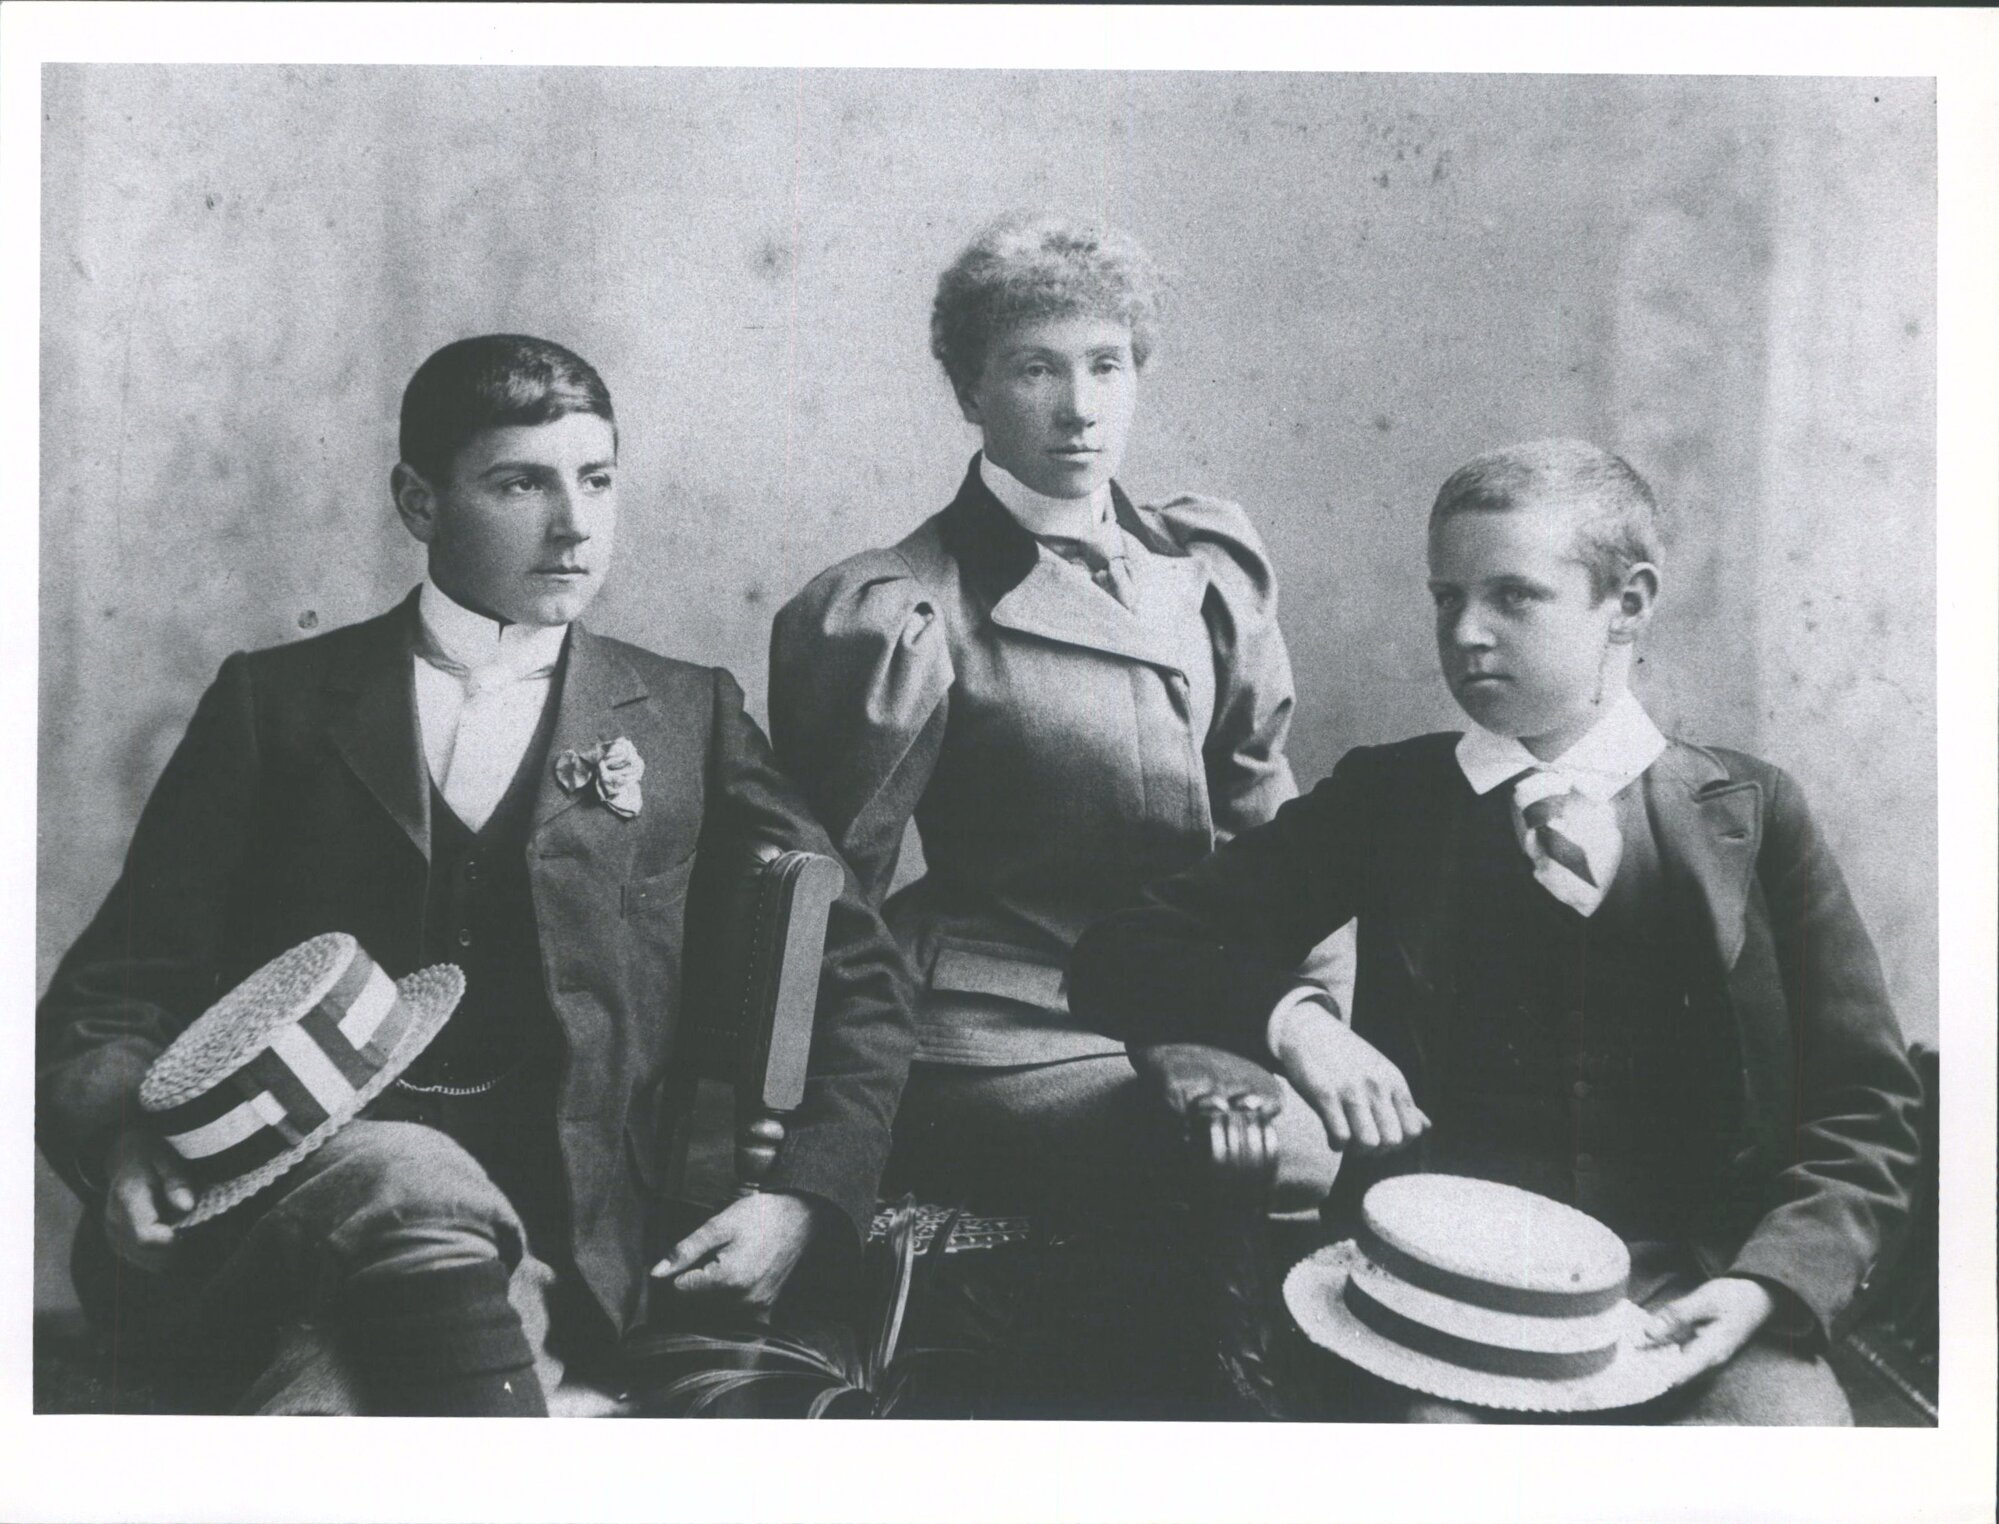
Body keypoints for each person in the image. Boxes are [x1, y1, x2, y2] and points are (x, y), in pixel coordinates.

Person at [36, 334, 914, 1415]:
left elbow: (860, 981)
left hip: (577, 1252)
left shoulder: (688, 715)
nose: (574, 524)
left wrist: (802, 1200)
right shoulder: (281, 705)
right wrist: (121, 1139)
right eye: (520, 484)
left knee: (327, 1407)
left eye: (596, 481)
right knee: (403, 1173)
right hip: (299, 1212)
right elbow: (109, 994)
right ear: (419, 501)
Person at [1068, 439, 1922, 1423]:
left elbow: (1865, 1105)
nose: (1465, 633)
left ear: (1628, 603)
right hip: (1438, 1301)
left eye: (1512, 597)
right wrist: (1298, 1025)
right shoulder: (1389, 801)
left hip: (1692, 1295)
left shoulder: (1753, 815)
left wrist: (1763, 1286)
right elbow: (1121, 953)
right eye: (1445, 598)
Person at [768, 213, 1349, 1216]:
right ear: (970, 391)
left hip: (1200, 1009)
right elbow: (824, 893)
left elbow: (1281, 842)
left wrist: (1297, 1027)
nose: (1078, 408)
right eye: (1036, 369)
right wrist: (797, 1117)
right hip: (997, 1022)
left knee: (1330, 1142)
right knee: (1262, 1161)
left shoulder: (1205, 571)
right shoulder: (901, 608)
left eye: (1107, 366)